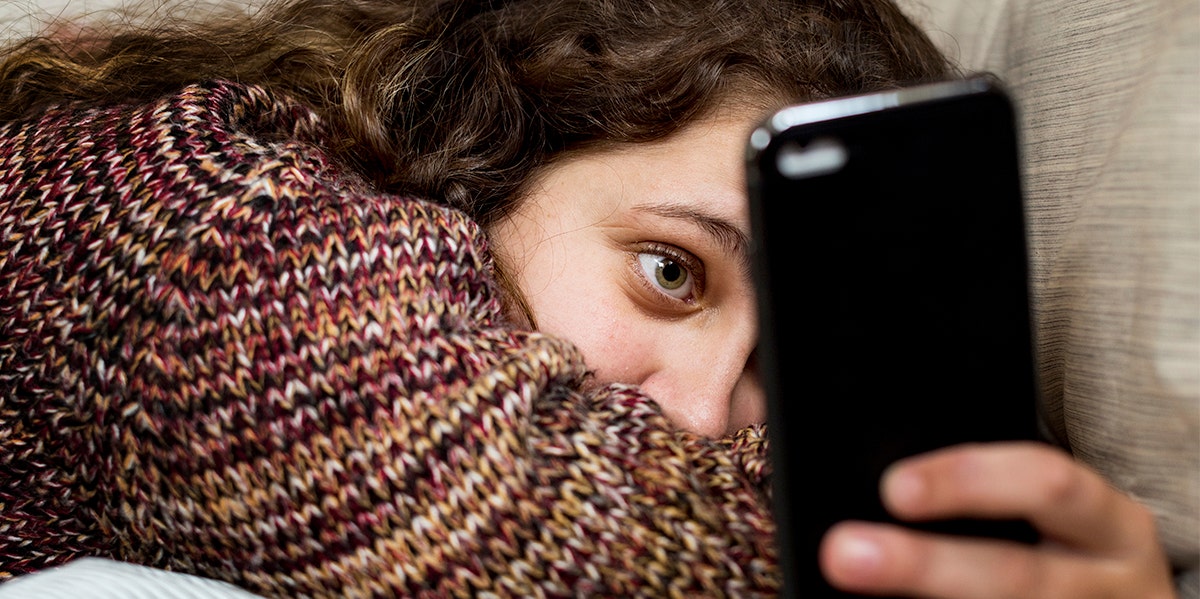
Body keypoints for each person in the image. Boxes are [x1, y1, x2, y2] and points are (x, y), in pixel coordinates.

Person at [0, 0, 1180, 597]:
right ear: (485, 151)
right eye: (673, 270)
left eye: (794, 366)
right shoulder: (190, 198)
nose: (712, 413)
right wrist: (985, 554)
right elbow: (478, 499)